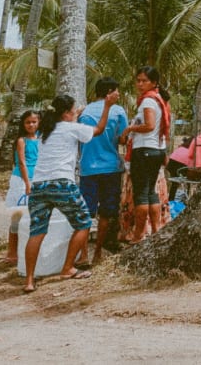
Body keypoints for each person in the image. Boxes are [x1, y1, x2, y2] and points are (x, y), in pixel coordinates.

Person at [24, 91, 119, 293]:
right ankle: (67, 268)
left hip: (39, 185)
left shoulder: (46, 130)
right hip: (62, 183)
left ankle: (29, 280)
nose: (76, 113)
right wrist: (107, 106)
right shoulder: (71, 128)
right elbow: (99, 129)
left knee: (37, 232)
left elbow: (66, 121)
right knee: (83, 222)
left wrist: (77, 113)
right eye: (74, 110)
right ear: (66, 113)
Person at [77, 77, 129, 265]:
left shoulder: (84, 112)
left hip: (87, 168)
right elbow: (123, 139)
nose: (119, 94)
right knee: (106, 212)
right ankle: (98, 252)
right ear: (109, 92)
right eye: (116, 90)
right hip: (110, 167)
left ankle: (83, 254)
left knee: (85, 213)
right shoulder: (118, 111)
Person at [119, 66, 170, 242]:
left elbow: (148, 126)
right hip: (156, 150)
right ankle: (155, 230)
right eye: (138, 80)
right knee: (151, 193)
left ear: (154, 83)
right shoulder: (159, 100)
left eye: (144, 81)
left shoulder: (148, 101)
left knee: (141, 194)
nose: (140, 84)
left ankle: (139, 234)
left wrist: (129, 129)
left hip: (144, 150)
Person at [5, 111, 40, 264]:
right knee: (17, 216)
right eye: (28, 122)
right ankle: (11, 252)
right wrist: (27, 183)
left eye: (34, 122)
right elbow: (22, 162)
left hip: (37, 179)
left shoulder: (41, 139)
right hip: (21, 180)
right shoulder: (22, 140)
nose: (31, 125)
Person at [167, 130, 201, 200]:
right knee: (188, 179)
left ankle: (171, 199)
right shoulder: (194, 150)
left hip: (171, 164)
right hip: (182, 166)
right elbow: (191, 164)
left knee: (175, 183)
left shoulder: (181, 148)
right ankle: (187, 196)